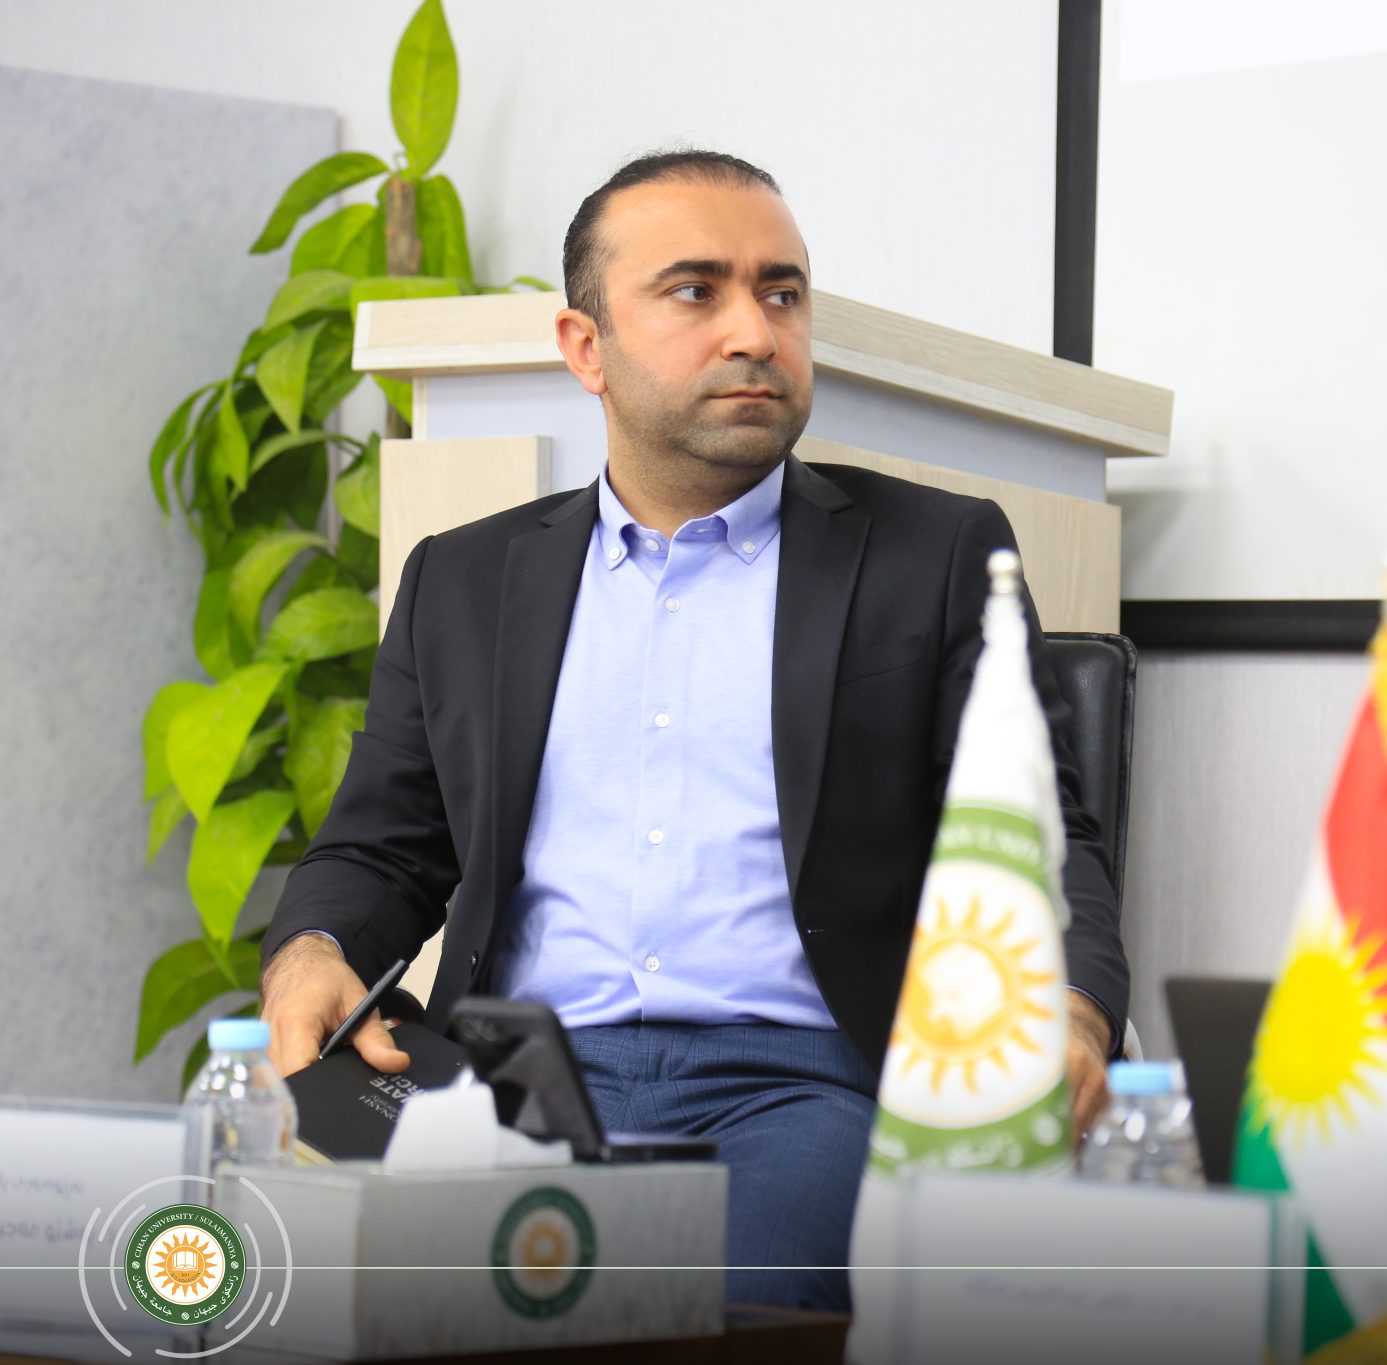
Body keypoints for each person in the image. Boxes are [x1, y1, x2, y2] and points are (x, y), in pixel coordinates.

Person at [256, 150, 1128, 1312]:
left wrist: (1067, 1012)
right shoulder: (463, 581)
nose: (754, 333)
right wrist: (311, 953)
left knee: (716, 1311)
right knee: (300, 1288)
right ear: (585, 347)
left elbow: (1042, 839)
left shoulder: (932, 556)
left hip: (800, 1088)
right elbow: (381, 845)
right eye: (693, 291)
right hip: (509, 1083)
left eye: (781, 293)